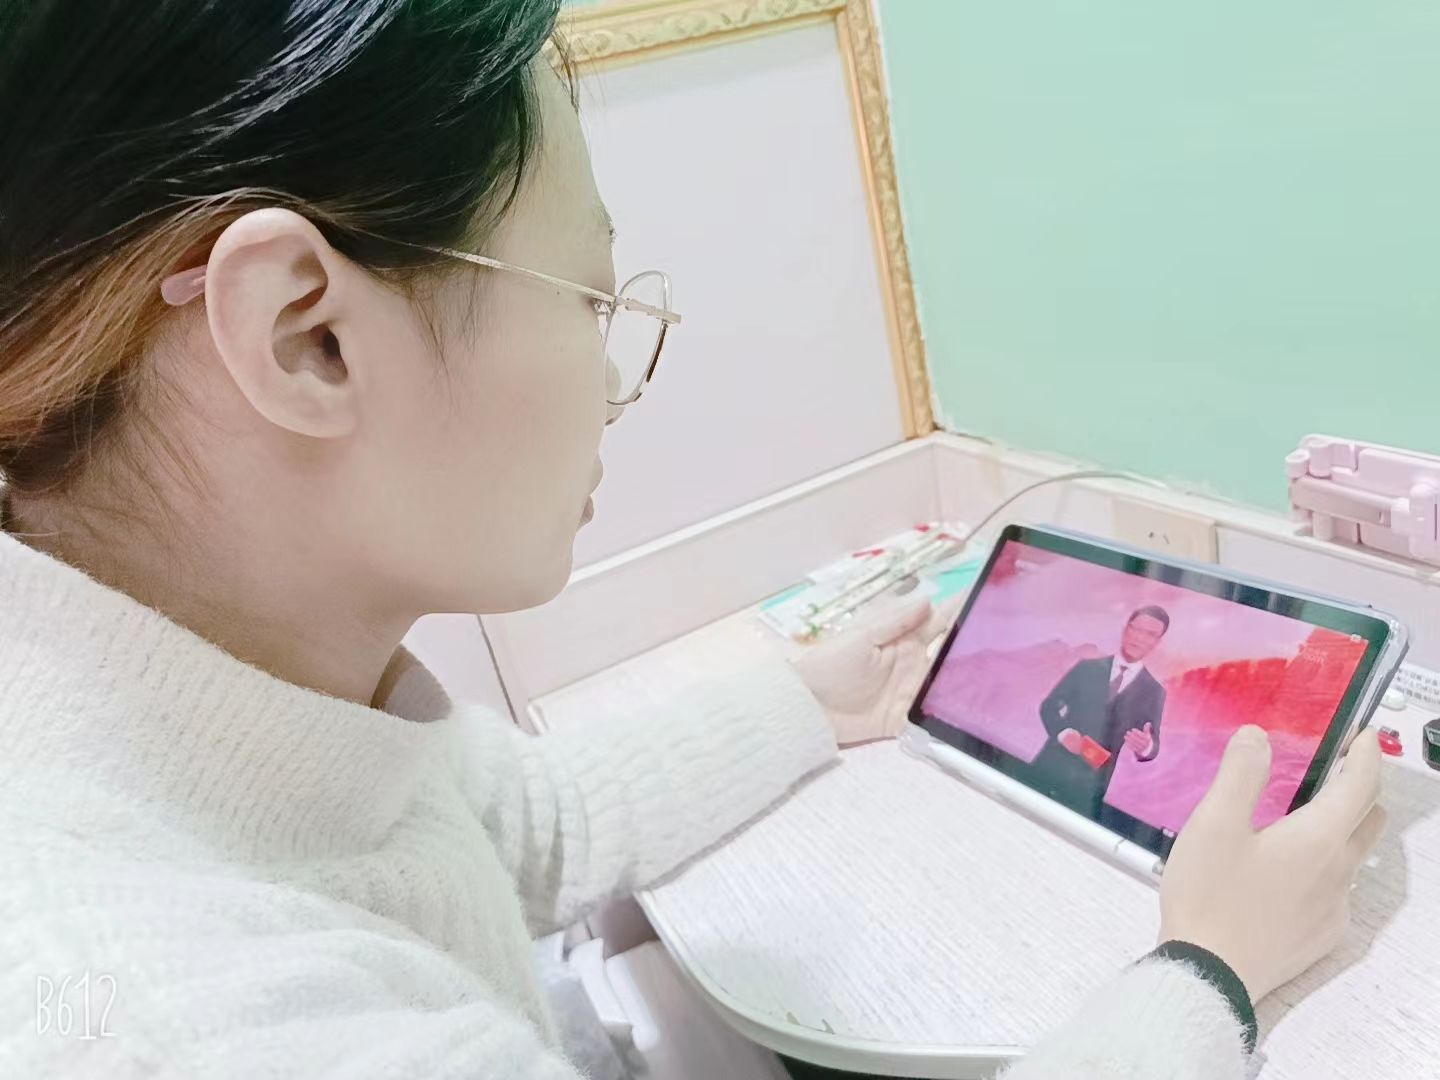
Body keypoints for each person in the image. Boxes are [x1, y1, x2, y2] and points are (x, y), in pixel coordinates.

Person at [0, 4, 1384, 1079]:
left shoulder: (228, 703)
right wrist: (1209, 969)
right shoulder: (166, 1024)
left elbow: (517, 827)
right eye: (585, 299)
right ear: (306, 337)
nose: (614, 382)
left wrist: (808, 697)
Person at [1035, 605, 1170, 813]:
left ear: (1157, 642)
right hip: (1048, 767)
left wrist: (1146, 746)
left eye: (1150, 634)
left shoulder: (1154, 691)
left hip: (1089, 787)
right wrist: (1064, 733)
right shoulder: (1086, 668)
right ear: (1125, 629)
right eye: (1136, 629)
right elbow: (1049, 706)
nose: (1140, 638)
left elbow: (1153, 745)